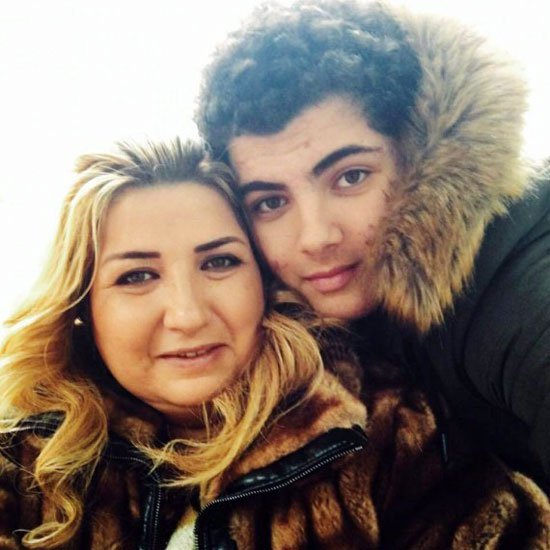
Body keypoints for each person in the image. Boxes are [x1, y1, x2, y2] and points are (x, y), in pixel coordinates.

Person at [1, 139, 549, 549]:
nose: (188, 315)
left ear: (262, 282)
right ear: (81, 307)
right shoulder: (23, 463)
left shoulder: (381, 437)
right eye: (137, 276)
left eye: (220, 262)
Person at [195, 0, 550, 491]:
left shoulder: (514, 281)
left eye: (351, 177)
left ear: (421, 155)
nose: (316, 237)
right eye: (271, 202)